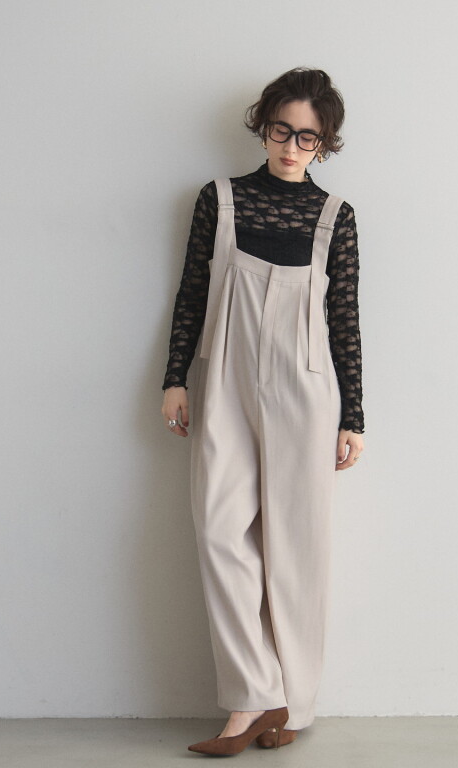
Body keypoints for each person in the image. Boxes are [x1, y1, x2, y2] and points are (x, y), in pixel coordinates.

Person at [161, 67, 365, 756]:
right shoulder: (219, 200)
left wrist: (354, 416)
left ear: (323, 143)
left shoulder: (335, 217)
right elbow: (191, 292)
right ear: (264, 126)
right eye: (283, 130)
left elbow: (345, 319)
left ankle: (293, 702)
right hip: (223, 376)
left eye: (308, 137)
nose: (292, 147)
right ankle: (253, 694)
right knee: (220, 530)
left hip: (306, 386)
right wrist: (175, 378)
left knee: (297, 545)